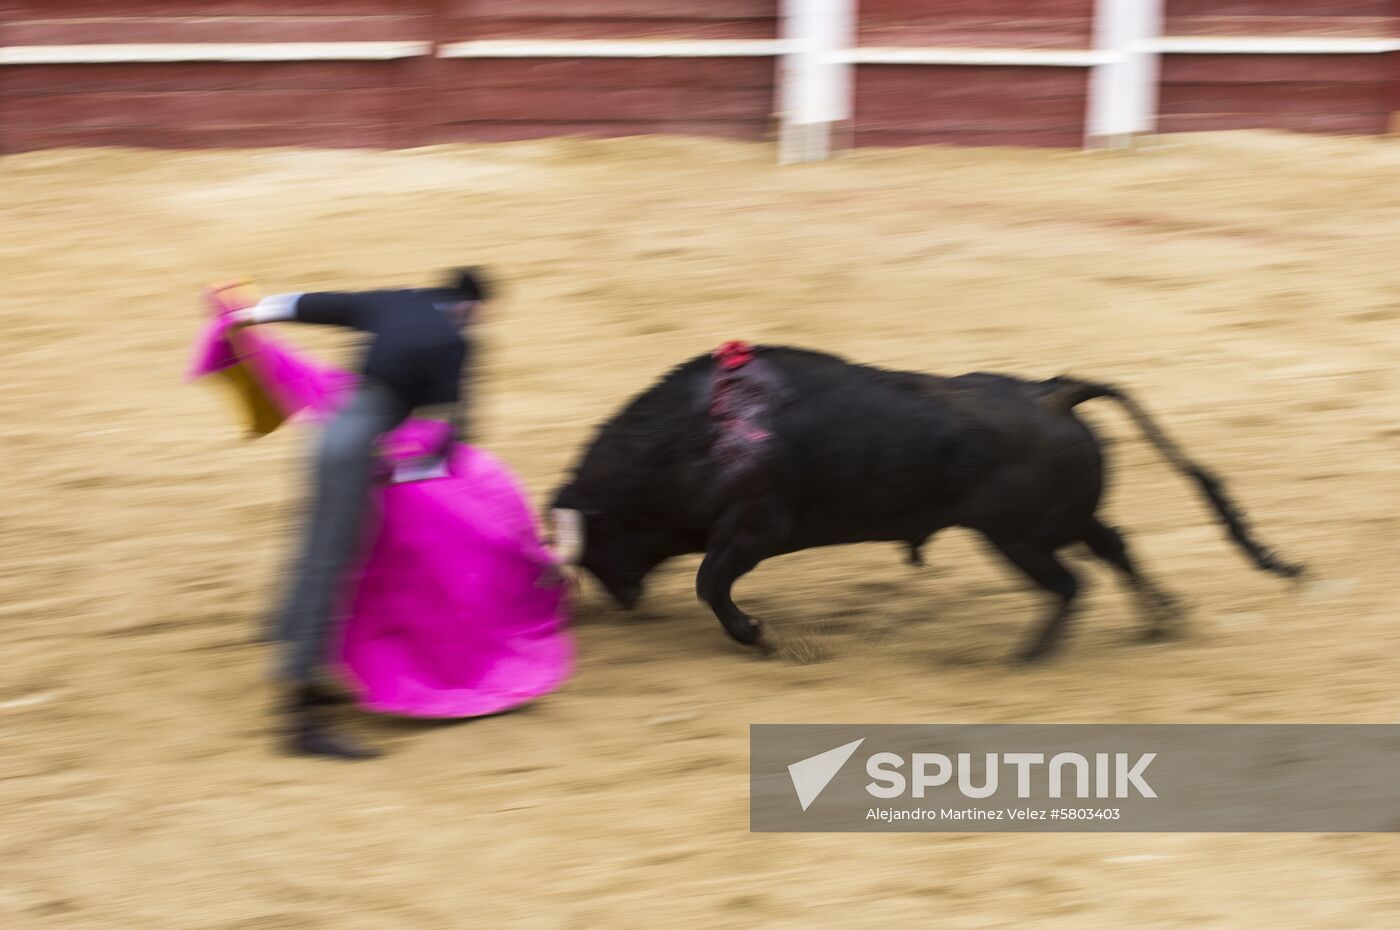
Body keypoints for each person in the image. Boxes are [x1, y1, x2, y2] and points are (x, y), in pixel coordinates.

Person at [226, 268, 491, 759]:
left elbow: (311, 304)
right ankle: (299, 719)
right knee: (330, 568)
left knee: (314, 554)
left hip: (327, 438)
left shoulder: (395, 300)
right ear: (473, 308)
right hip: (355, 454)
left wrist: (247, 312)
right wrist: (399, 475)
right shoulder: (455, 339)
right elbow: (453, 436)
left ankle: (287, 641)